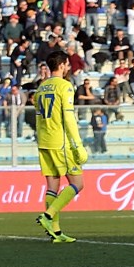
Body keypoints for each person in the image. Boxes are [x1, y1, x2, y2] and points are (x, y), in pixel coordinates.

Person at [34, 51, 88, 243]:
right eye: (67, 64)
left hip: (44, 141)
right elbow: (69, 117)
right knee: (78, 183)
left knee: (52, 186)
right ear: (63, 64)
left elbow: (38, 116)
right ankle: (48, 216)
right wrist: (78, 145)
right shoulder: (65, 86)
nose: (69, 67)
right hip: (60, 141)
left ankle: (55, 232)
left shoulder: (41, 88)